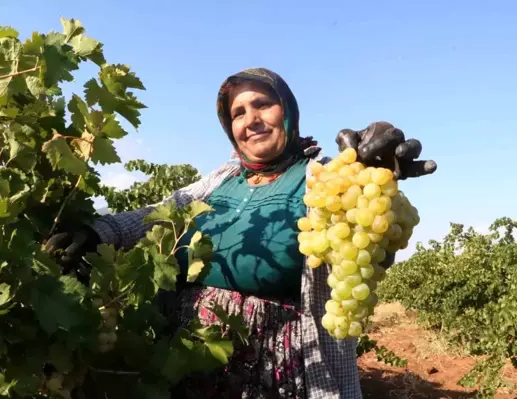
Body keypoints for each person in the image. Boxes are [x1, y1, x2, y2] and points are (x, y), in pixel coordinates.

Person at [46, 67, 436, 399]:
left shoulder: (329, 178)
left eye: (263, 104)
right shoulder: (221, 179)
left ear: (288, 111)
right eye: (238, 112)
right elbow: (158, 213)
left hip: (281, 376)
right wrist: (98, 231)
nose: (250, 118)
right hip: (184, 364)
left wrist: (375, 174)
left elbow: (371, 252)